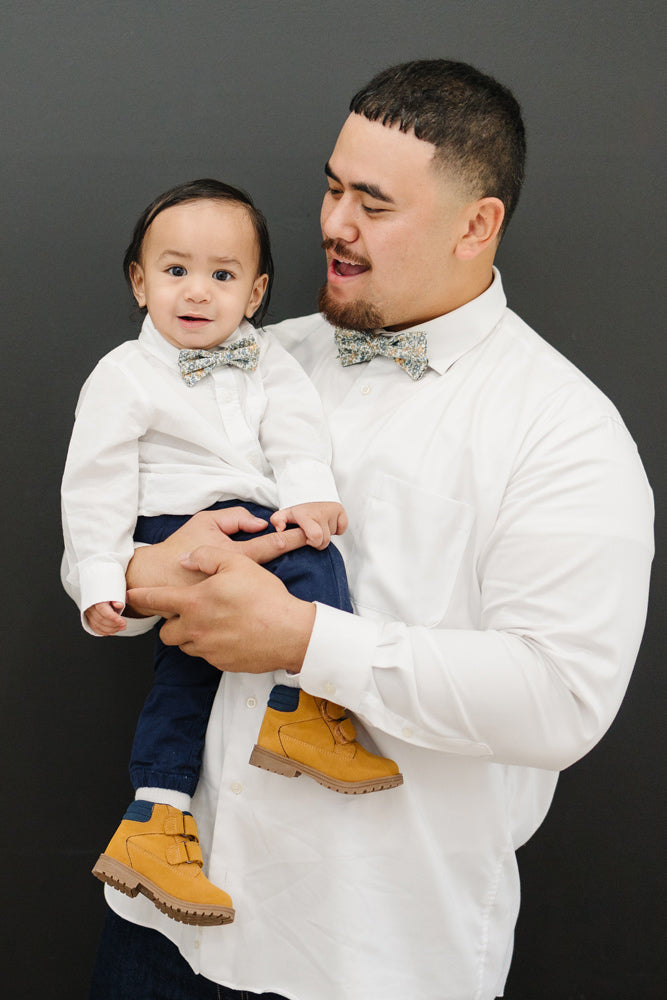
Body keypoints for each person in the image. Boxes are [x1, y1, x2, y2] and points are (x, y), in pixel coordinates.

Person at [89, 60, 654, 1000]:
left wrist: (305, 641)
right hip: (164, 929)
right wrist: (139, 575)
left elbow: (560, 698)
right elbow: (127, 524)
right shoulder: (250, 355)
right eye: (331, 185)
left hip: (372, 953)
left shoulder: (565, 431)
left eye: (373, 204)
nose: (331, 223)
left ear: (476, 226)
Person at [61, 179, 402, 929]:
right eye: (175, 269)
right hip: (168, 530)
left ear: (256, 293)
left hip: (251, 518)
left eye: (222, 275)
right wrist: (102, 577)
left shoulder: (267, 360)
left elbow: (296, 432)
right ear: (138, 280)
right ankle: (307, 707)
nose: (197, 292)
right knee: (316, 573)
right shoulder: (123, 374)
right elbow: (94, 485)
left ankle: (156, 815)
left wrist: (309, 494)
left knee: (193, 666)